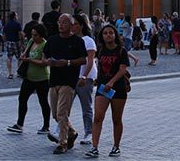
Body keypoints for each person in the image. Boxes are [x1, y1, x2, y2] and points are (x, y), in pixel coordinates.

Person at [43, 13, 87, 154]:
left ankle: (63, 143)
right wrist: (47, 62)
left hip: (68, 81)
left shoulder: (77, 41)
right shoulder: (52, 40)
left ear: (71, 25)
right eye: (59, 22)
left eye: (65, 22)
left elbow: (83, 59)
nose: (61, 25)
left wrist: (67, 62)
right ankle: (72, 132)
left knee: (62, 113)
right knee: (55, 114)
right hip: (54, 80)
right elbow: (45, 56)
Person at [85, 24, 130, 158]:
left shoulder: (121, 51)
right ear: (102, 36)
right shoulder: (101, 50)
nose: (108, 35)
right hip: (103, 88)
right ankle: (94, 147)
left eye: (111, 33)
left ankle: (116, 146)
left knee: (116, 119)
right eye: (105, 33)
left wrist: (111, 82)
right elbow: (97, 65)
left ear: (115, 35)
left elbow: (122, 70)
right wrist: (96, 80)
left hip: (118, 89)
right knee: (98, 117)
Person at [7, 23, 51, 135]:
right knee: (22, 99)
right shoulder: (31, 42)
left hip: (42, 78)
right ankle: (19, 124)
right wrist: (23, 56)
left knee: (43, 101)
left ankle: (46, 126)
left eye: (35, 35)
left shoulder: (45, 45)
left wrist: (30, 60)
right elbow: (25, 53)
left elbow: (44, 63)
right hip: (29, 77)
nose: (33, 37)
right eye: (32, 35)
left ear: (41, 36)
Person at [72, 14, 97, 146]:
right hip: (71, 77)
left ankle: (89, 133)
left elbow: (90, 61)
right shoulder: (71, 39)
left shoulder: (88, 41)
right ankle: (63, 129)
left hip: (85, 77)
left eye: (74, 23)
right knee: (63, 106)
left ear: (81, 25)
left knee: (86, 107)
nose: (72, 26)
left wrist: (85, 76)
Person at [4, 11, 23, 79]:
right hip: (16, 41)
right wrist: (22, 42)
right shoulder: (17, 24)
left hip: (9, 41)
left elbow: (4, 34)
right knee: (19, 58)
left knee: (9, 57)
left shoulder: (6, 24)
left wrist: (5, 41)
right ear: (15, 16)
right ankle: (19, 73)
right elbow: (20, 34)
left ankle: (10, 73)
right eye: (16, 15)